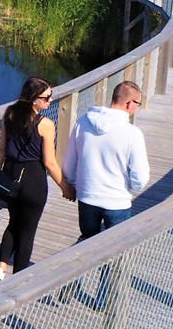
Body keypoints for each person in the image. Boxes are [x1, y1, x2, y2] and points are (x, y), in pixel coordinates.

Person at [0, 77, 76, 283]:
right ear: (33, 100)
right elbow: (49, 162)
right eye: (46, 97)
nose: (50, 100)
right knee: (27, 232)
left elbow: (2, 149)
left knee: (13, 223)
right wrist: (65, 187)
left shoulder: (9, 114)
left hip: (10, 176)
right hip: (33, 181)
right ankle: (17, 282)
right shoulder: (45, 124)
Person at [63, 80, 149, 239]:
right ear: (130, 104)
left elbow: (68, 165)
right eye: (138, 103)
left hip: (87, 196)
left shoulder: (82, 123)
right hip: (117, 201)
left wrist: (73, 185)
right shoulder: (133, 133)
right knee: (114, 249)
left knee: (87, 243)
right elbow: (140, 178)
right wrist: (130, 187)